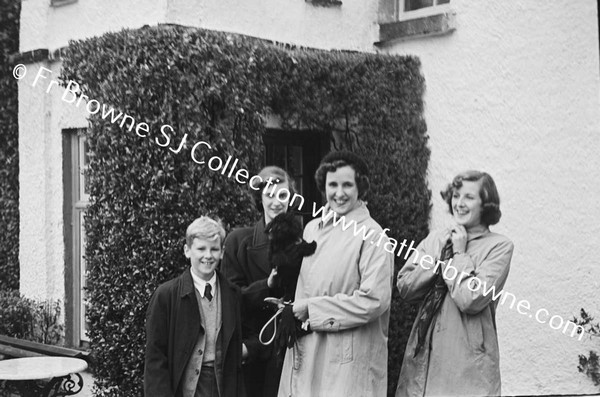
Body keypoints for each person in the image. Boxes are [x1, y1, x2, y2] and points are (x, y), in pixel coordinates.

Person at [278, 151, 394, 397]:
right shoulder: (313, 228)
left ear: (360, 187)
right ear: (323, 186)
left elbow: (374, 301)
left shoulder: (373, 236)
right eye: (332, 185)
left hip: (346, 363)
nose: (339, 193)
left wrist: (310, 309)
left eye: (347, 185)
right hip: (307, 352)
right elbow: (306, 287)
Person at [396, 170, 514, 397]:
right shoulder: (436, 239)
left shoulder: (499, 247)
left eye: (468, 197)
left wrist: (458, 254)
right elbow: (405, 286)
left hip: (466, 365)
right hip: (423, 357)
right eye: (456, 196)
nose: (459, 203)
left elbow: (471, 299)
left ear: (486, 204)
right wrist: (439, 260)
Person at [144, 216, 245, 397]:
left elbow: (235, 360)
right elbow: (155, 358)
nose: (208, 255)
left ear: (222, 252)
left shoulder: (232, 294)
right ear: (187, 251)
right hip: (185, 389)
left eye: (214, 249)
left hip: (221, 386)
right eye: (201, 249)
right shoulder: (166, 295)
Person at [220, 166, 294, 397]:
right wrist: (267, 286)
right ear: (259, 198)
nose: (276, 202)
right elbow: (230, 299)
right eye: (269, 195)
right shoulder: (238, 242)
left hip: (291, 351)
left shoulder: (305, 240)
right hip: (252, 353)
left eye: (283, 195)